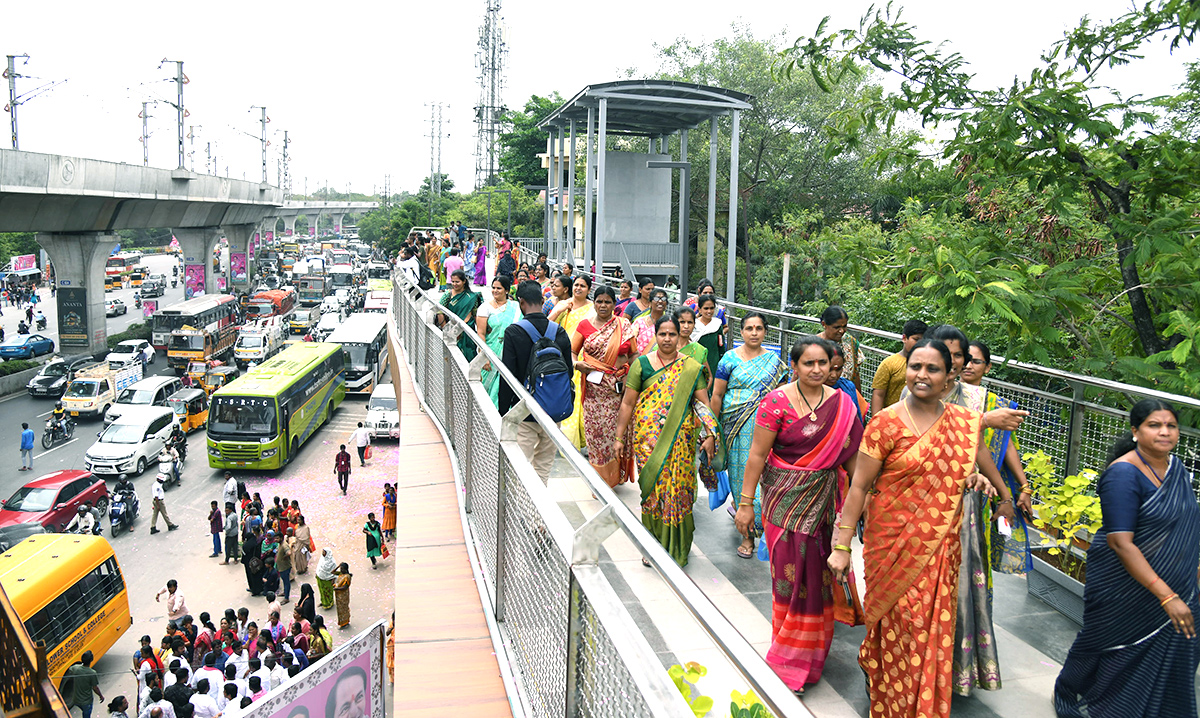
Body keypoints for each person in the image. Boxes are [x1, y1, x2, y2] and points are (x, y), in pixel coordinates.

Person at [828, 339, 1003, 718]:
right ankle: (889, 700)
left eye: (933, 369)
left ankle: (923, 706)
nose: (921, 375)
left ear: (948, 377)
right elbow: (859, 486)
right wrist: (842, 545)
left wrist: (977, 479)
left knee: (931, 630)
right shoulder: (885, 422)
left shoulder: (960, 423)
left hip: (939, 546)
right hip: (890, 544)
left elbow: (954, 469)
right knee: (900, 624)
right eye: (915, 367)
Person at [1054, 399, 1199, 716]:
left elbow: (1186, 527)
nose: (1164, 432)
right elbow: (1121, 542)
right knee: (1116, 651)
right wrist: (1167, 596)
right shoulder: (1123, 474)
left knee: (1175, 653)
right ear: (1135, 431)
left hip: (1178, 585)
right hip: (1125, 587)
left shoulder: (1177, 471)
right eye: (1154, 425)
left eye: (1171, 426)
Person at [735, 336, 864, 693]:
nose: (817, 369)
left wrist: (864, 497)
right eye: (809, 363)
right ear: (794, 366)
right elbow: (758, 456)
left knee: (818, 581)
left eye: (823, 363)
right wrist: (746, 504)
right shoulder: (775, 402)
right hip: (782, 504)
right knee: (789, 580)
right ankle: (788, 657)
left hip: (823, 505)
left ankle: (811, 654)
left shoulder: (842, 405)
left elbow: (856, 463)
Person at [613, 314, 719, 567]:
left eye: (672, 334)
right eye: (663, 334)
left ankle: (677, 546)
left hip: (681, 439)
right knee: (651, 490)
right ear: (655, 336)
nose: (668, 338)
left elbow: (703, 404)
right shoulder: (642, 365)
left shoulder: (691, 367)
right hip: (646, 439)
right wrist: (619, 437)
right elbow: (628, 403)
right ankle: (652, 543)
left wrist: (710, 435)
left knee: (679, 491)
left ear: (679, 335)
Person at [710, 312, 788, 558]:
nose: (754, 333)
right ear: (741, 332)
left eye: (759, 328)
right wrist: (712, 429)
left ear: (765, 332)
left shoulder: (774, 362)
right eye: (749, 328)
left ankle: (766, 532)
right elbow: (717, 396)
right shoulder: (729, 359)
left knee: (767, 482)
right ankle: (747, 536)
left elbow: (782, 396)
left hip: (767, 429)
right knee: (741, 480)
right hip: (734, 428)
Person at [961, 340, 1034, 575]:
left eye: (976, 361)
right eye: (965, 359)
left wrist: (1024, 487)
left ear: (988, 367)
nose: (968, 365)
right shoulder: (944, 397)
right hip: (955, 483)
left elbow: (1007, 444)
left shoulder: (996, 405)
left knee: (979, 553)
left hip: (987, 490)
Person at [498, 281, 574, 482]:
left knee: (520, 468)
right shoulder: (558, 331)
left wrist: (504, 410)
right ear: (542, 301)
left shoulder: (514, 332)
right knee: (543, 468)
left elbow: (508, 376)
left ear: (520, 302)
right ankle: (537, 513)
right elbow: (569, 372)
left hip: (525, 411)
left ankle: (520, 510)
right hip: (553, 412)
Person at [570, 285, 634, 487]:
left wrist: (630, 380)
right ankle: (599, 481)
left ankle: (616, 475)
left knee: (618, 433)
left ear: (614, 304)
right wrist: (577, 364)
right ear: (594, 303)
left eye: (607, 302)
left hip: (619, 391)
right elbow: (571, 352)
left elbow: (634, 355)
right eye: (599, 301)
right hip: (594, 393)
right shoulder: (584, 326)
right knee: (596, 436)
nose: (603, 305)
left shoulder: (623, 325)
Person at [548, 275, 596, 449]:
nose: (578, 288)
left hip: (585, 359)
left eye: (583, 286)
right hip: (563, 358)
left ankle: (579, 440)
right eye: (576, 285)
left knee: (580, 400)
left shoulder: (593, 309)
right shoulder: (564, 305)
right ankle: (566, 442)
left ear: (589, 290)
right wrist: (558, 310)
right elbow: (547, 326)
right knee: (565, 396)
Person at [477, 275, 521, 407]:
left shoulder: (516, 307)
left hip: (510, 354)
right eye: (493, 288)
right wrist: (484, 357)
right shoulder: (485, 308)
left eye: (499, 288)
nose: (495, 291)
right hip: (491, 352)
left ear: (507, 290)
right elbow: (481, 333)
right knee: (487, 389)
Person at [870, 319, 927, 415]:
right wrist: (876, 420)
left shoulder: (926, 365)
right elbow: (878, 394)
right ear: (904, 338)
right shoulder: (889, 363)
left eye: (923, 340)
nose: (919, 344)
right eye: (916, 339)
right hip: (891, 417)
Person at [436, 269, 483, 361]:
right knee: (453, 358)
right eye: (453, 282)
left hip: (468, 329)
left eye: (457, 282)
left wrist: (481, 332)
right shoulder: (448, 295)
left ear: (464, 281)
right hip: (453, 330)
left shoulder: (471, 297)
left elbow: (475, 314)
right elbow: (439, 311)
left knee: (469, 355)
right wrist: (446, 328)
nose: (454, 284)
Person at [818, 306, 864, 392]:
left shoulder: (850, 342)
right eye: (837, 327)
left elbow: (856, 374)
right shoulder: (814, 346)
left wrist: (857, 398)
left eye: (844, 326)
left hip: (847, 394)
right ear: (824, 324)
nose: (842, 331)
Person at [825, 343, 868, 425]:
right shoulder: (811, 390)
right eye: (829, 369)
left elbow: (857, 421)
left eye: (838, 369)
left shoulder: (847, 387)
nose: (834, 375)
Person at [692, 294, 725, 384]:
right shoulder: (693, 325)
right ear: (700, 309)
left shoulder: (717, 324)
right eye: (706, 308)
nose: (709, 311)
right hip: (696, 362)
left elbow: (721, 345)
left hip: (714, 362)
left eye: (712, 308)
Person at [63, 650, 103, 718]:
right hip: (86, 702)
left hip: (76, 700)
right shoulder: (92, 673)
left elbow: (70, 669)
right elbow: (95, 687)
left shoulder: (76, 668)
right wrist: (101, 696)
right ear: (91, 660)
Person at [630, 288, 668, 356]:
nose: (660, 301)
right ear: (650, 303)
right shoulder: (639, 322)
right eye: (656, 299)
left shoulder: (670, 324)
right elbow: (630, 345)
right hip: (641, 362)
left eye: (663, 299)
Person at [332, 563, 353, 628]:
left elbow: (345, 587)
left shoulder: (347, 577)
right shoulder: (341, 574)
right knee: (339, 609)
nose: (341, 570)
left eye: (342, 569)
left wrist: (336, 588)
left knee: (344, 608)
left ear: (346, 569)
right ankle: (341, 622)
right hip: (338, 594)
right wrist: (338, 566)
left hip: (343, 595)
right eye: (340, 569)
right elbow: (332, 572)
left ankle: (345, 622)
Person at [278, 529, 296, 603]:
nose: (276, 540)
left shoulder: (284, 545)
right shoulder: (281, 543)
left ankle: (286, 598)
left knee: (286, 582)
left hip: (285, 567)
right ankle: (285, 592)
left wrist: (284, 557)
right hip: (281, 567)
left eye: (277, 538)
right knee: (284, 581)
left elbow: (289, 552)